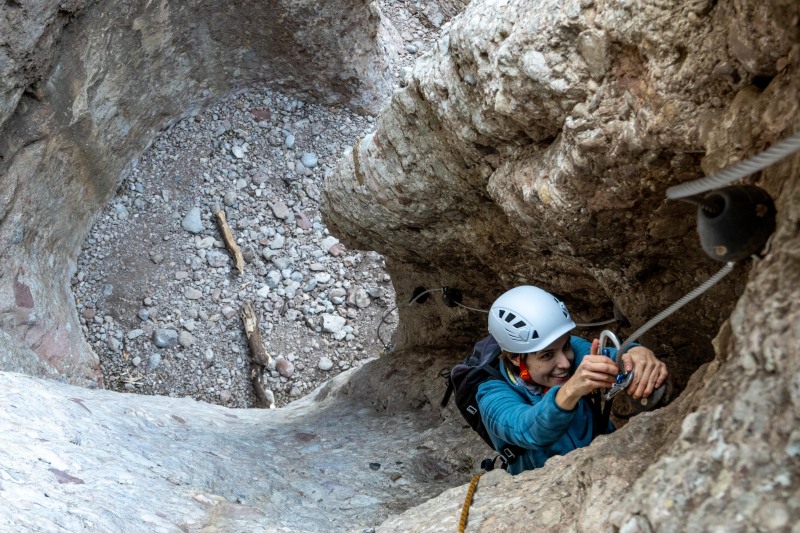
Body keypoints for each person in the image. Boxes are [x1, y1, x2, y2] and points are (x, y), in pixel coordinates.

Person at [476, 285, 668, 475]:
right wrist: (570, 390)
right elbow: (527, 429)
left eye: (565, 346)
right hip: (549, 481)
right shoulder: (491, 395)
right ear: (515, 358)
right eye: (547, 355)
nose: (565, 363)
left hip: (606, 456)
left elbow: (612, 358)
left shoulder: (570, 348)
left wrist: (635, 354)